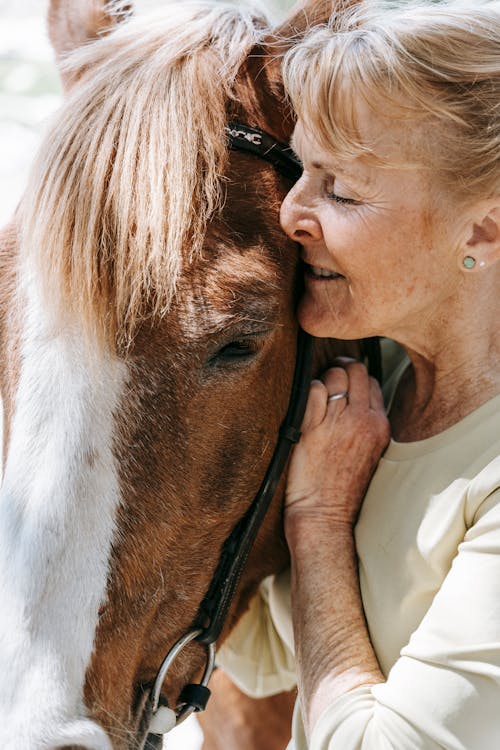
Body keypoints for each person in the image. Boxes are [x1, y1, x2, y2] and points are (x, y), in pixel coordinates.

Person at [216, 0, 500, 747]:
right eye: (302, 170)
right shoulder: (380, 380)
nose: (292, 214)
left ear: (484, 229)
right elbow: (269, 656)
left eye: (340, 190)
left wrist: (316, 522)